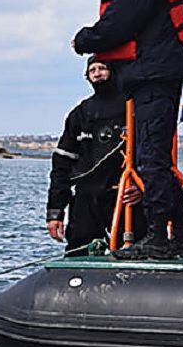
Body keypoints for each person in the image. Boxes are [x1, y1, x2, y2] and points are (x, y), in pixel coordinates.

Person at [72, 0, 183, 260]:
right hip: (152, 72)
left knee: (150, 160)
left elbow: (122, 20)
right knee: (154, 158)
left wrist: (86, 39)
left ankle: (158, 238)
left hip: (155, 74)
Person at [47, 56, 141, 254]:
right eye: (93, 70)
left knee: (135, 248)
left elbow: (154, 157)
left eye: (102, 68)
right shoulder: (80, 114)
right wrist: (55, 212)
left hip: (126, 195)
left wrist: (143, 188)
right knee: (77, 250)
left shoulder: (133, 108)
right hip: (87, 196)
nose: (97, 73)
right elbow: (61, 165)